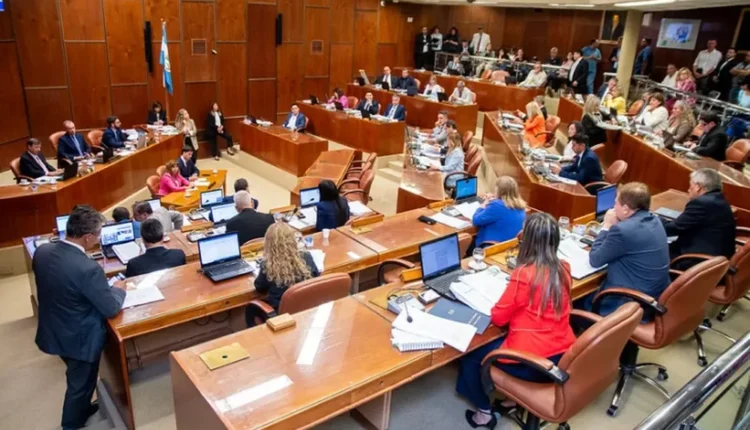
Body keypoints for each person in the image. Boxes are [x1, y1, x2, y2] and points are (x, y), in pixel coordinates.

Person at [457, 212, 575, 428]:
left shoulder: (524, 274)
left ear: (527, 240)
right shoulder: (564, 267)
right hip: (562, 354)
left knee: (470, 355)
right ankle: (513, 400)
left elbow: (499, 318)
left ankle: (484, 412)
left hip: (532, 361)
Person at [34, 205, 126, 430]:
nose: (99, 238)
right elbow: (111, 308)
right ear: (87, 237)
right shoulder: (87, 268)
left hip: (52, 328)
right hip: (79, 338)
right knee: (80, 384)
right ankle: (71, 424)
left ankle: (83, 409)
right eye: (98, 234)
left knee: (78, 379)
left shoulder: (42, 252)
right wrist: (118, 289)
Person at [587, 182, 670, 319]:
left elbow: (595, 260)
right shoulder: (655, 220)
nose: (613, 208)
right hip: (653, 297)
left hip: (627, 303)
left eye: (615, 203)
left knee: (577, 301)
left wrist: (606, 226)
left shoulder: (622, 230)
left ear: (625, 209)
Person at [246, 223, 320, 326]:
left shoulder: (267, 265)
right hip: (306, 311)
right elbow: (316, 277)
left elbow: (259, 287)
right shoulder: (306, 256)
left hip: (281, 316)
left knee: (250, 309)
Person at [662, 168, 736, 270]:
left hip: (695, 261)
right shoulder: (720, 199)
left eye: (690, 186)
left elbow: (673, 229)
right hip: (717, 260)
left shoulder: (702, 203)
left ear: (698, 187)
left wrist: (654, 219)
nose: (688, 190)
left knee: (649, 249)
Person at [472, 176, 526, 246]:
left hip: (491, 247)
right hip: (510, 247)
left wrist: (483, 204)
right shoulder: (521, 206)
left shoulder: (497, 205)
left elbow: (476, 220)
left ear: (499, 191)